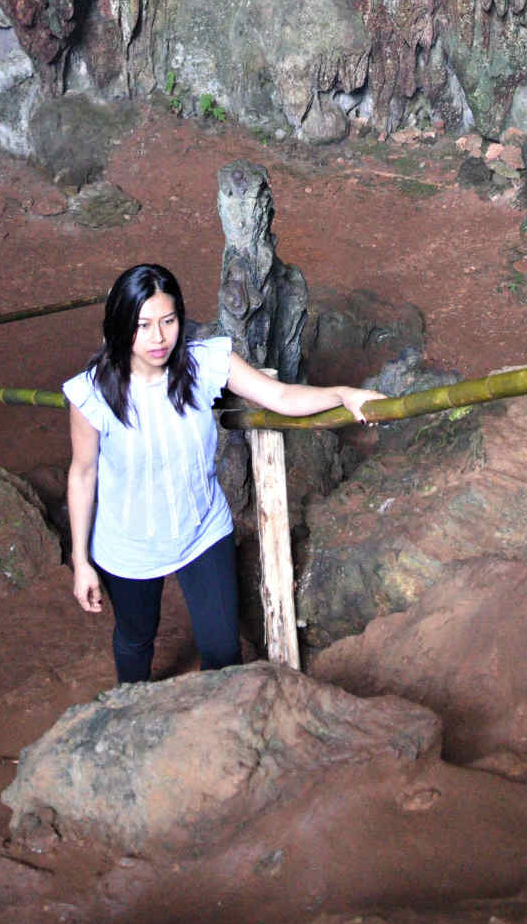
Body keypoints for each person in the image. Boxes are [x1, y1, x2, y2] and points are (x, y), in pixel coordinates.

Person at [63, 261, 376, 683]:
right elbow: (82, 474)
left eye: (169, 321)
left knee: (223, 651)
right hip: (128, 545)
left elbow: (280, 396)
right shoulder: (91, 394)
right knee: (136, 639)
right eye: (143, 325)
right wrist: (81, 560)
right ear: (120, 326)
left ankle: (220, 726)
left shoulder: (205, 364)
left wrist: (343, 394)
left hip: (202, 531)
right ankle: (130, 707)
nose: (158, 338)